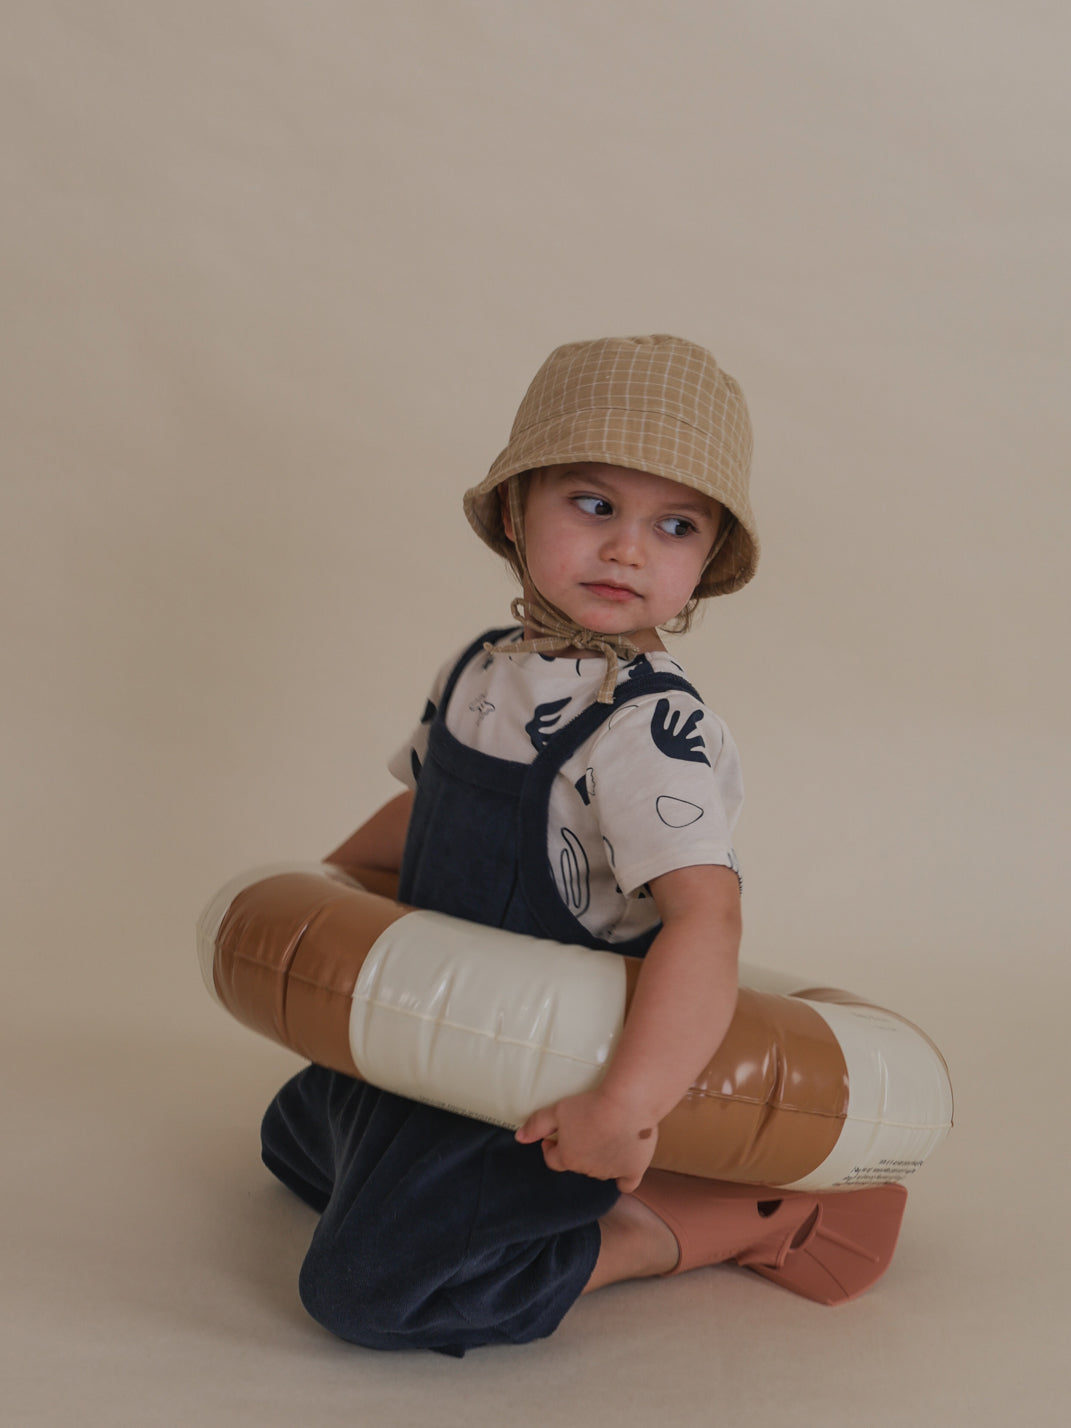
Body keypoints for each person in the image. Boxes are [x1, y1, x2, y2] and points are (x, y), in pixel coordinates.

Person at [260, 335, 906, 1355]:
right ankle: (446, 1190)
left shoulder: (649, 728)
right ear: (516, 513)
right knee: (290, 1143)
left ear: (706, 562)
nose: (628, 551)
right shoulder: (481, 666)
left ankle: (686, 1223)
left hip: (537, 1069)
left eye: (675, 525)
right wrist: (328, 894)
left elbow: (706, 918)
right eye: (594, 505)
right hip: (443, 1027)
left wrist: (624, 1104)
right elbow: (428, 807)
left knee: (367, 1291)